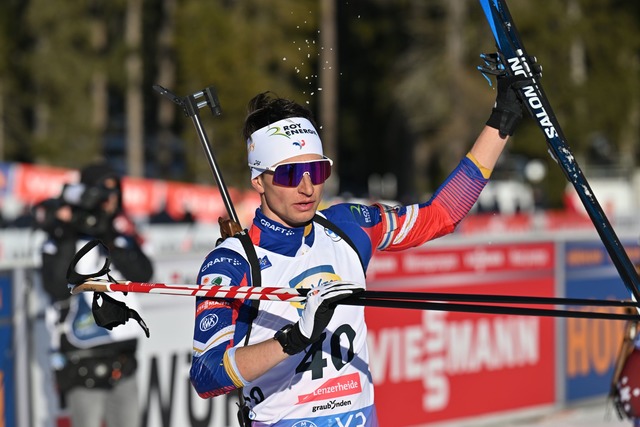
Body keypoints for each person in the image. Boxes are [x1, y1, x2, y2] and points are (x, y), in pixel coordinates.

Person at [189, 58, 531, 426]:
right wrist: (292, 340)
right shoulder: (233, 263)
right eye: (290, 174)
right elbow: (207, 376)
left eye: (317, 170)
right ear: (259, 180)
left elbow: (441, 216)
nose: (308, 188)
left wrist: (503, 118)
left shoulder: (347, 227)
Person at [35, 161, 153, 427]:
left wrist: (107, 235)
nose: (108, 201)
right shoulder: (59, 239)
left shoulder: (119, 235)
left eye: (113, 194)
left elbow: (143, 274)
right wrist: (67, 230)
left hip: (122, 356)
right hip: (81, 356)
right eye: (101, 194)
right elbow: (55, 286)